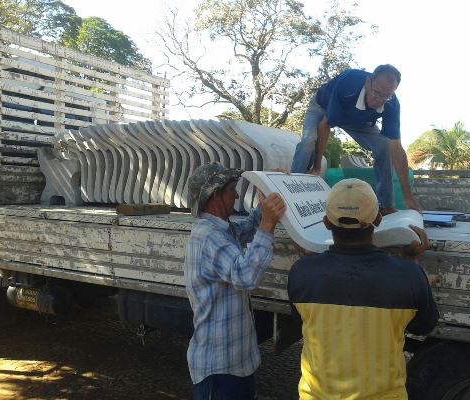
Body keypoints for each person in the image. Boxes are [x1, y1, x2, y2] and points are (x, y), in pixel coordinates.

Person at [287, 178, 439, 400]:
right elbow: (424, 326)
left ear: (326, 223)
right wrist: (411, 261)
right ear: (378, 220)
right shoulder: (408, 275)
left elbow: (303, 322)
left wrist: (313, 263)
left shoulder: (301, 273)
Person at [184, 162, 286, 400]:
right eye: (232, 189)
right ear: (215, 195)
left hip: (234, 364)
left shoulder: (221, 230)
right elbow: (246, 276)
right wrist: (268, 223)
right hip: (220, 370)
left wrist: (267, 198)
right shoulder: (209, 236)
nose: (237, 195)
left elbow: (249, 228)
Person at [291, 64, 422, 215]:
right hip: (322, 107)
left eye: (386, 96)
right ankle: (291, 186)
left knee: (385, 145)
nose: (379, 100)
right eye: (376, 93)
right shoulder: (348, 82)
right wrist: (317, 167)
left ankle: (386, 205)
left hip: (357, 120)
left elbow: (396, 148)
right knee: (308, 141)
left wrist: (408, 196)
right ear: (368, 83)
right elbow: (325, 125)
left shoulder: (391, 104)